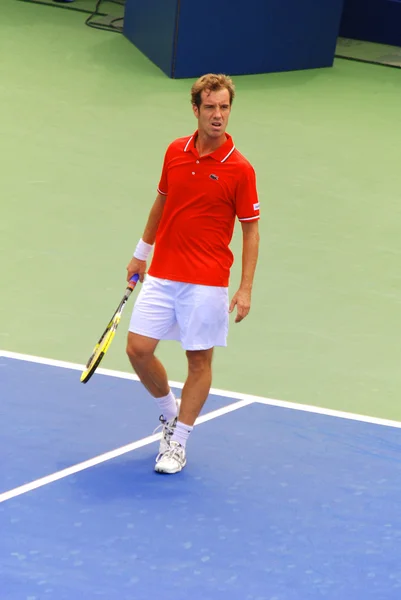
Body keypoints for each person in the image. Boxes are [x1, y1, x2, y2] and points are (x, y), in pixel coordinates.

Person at [126, 73, 260, 475]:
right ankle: (169, 412)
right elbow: (161, 203)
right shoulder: (174, 152)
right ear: (196, 109)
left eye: (224, 107)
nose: (218, 115)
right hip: (164, 273)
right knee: (137, 349)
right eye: (211, 107)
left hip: (207, 281)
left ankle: (179, 443)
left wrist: (246, 287)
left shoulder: (240, 169)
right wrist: (140, 254)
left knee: (198, 361)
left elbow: (250, 230)